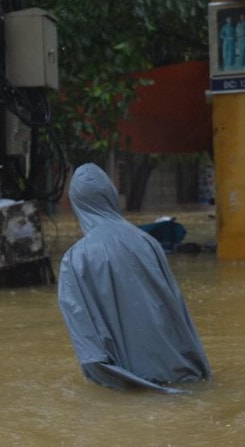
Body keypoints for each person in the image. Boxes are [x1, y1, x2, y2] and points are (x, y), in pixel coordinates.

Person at [58, 163, 212, 393]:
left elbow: (89, 347)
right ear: (109, 195)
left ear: (78, 204)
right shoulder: (147, 242)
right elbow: (177, 311)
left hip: (134, 387)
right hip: (182, 373)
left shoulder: (75, 259)